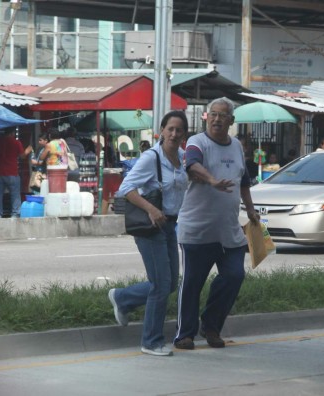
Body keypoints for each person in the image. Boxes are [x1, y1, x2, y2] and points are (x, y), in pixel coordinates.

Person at [173, 97, 260, 350]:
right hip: (198, 229)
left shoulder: (236, 146)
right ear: (206, 117)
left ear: (231, 121)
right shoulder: (197, 142)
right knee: (192, 283)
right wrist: (212, 180)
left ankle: (211, 326)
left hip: (229, 230)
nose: (217, 119)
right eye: (213, 114)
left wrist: (251, 210)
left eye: (223, 115)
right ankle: (184, 334)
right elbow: (192, 164)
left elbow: (243, 180)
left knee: (234, 276)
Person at [108, 111, 189, 357]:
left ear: (184, 134)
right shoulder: (150, 158)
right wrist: (152, 209)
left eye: (179, 130)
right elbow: (126, 188)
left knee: (170, 283)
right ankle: (151, 341)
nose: (174, 134)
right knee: (161, 285)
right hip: (150, 225)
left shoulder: (184, 158)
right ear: (162, 131)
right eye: (170, 129)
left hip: (170, 225)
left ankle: (122, 298)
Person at [0, 128, 33, 218]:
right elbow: (22, 156)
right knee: (15, 195)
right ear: (12, 133)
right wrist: (28, 150)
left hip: (0, 172)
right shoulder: (16, 142)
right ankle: (15, 214)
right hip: (12, 173)